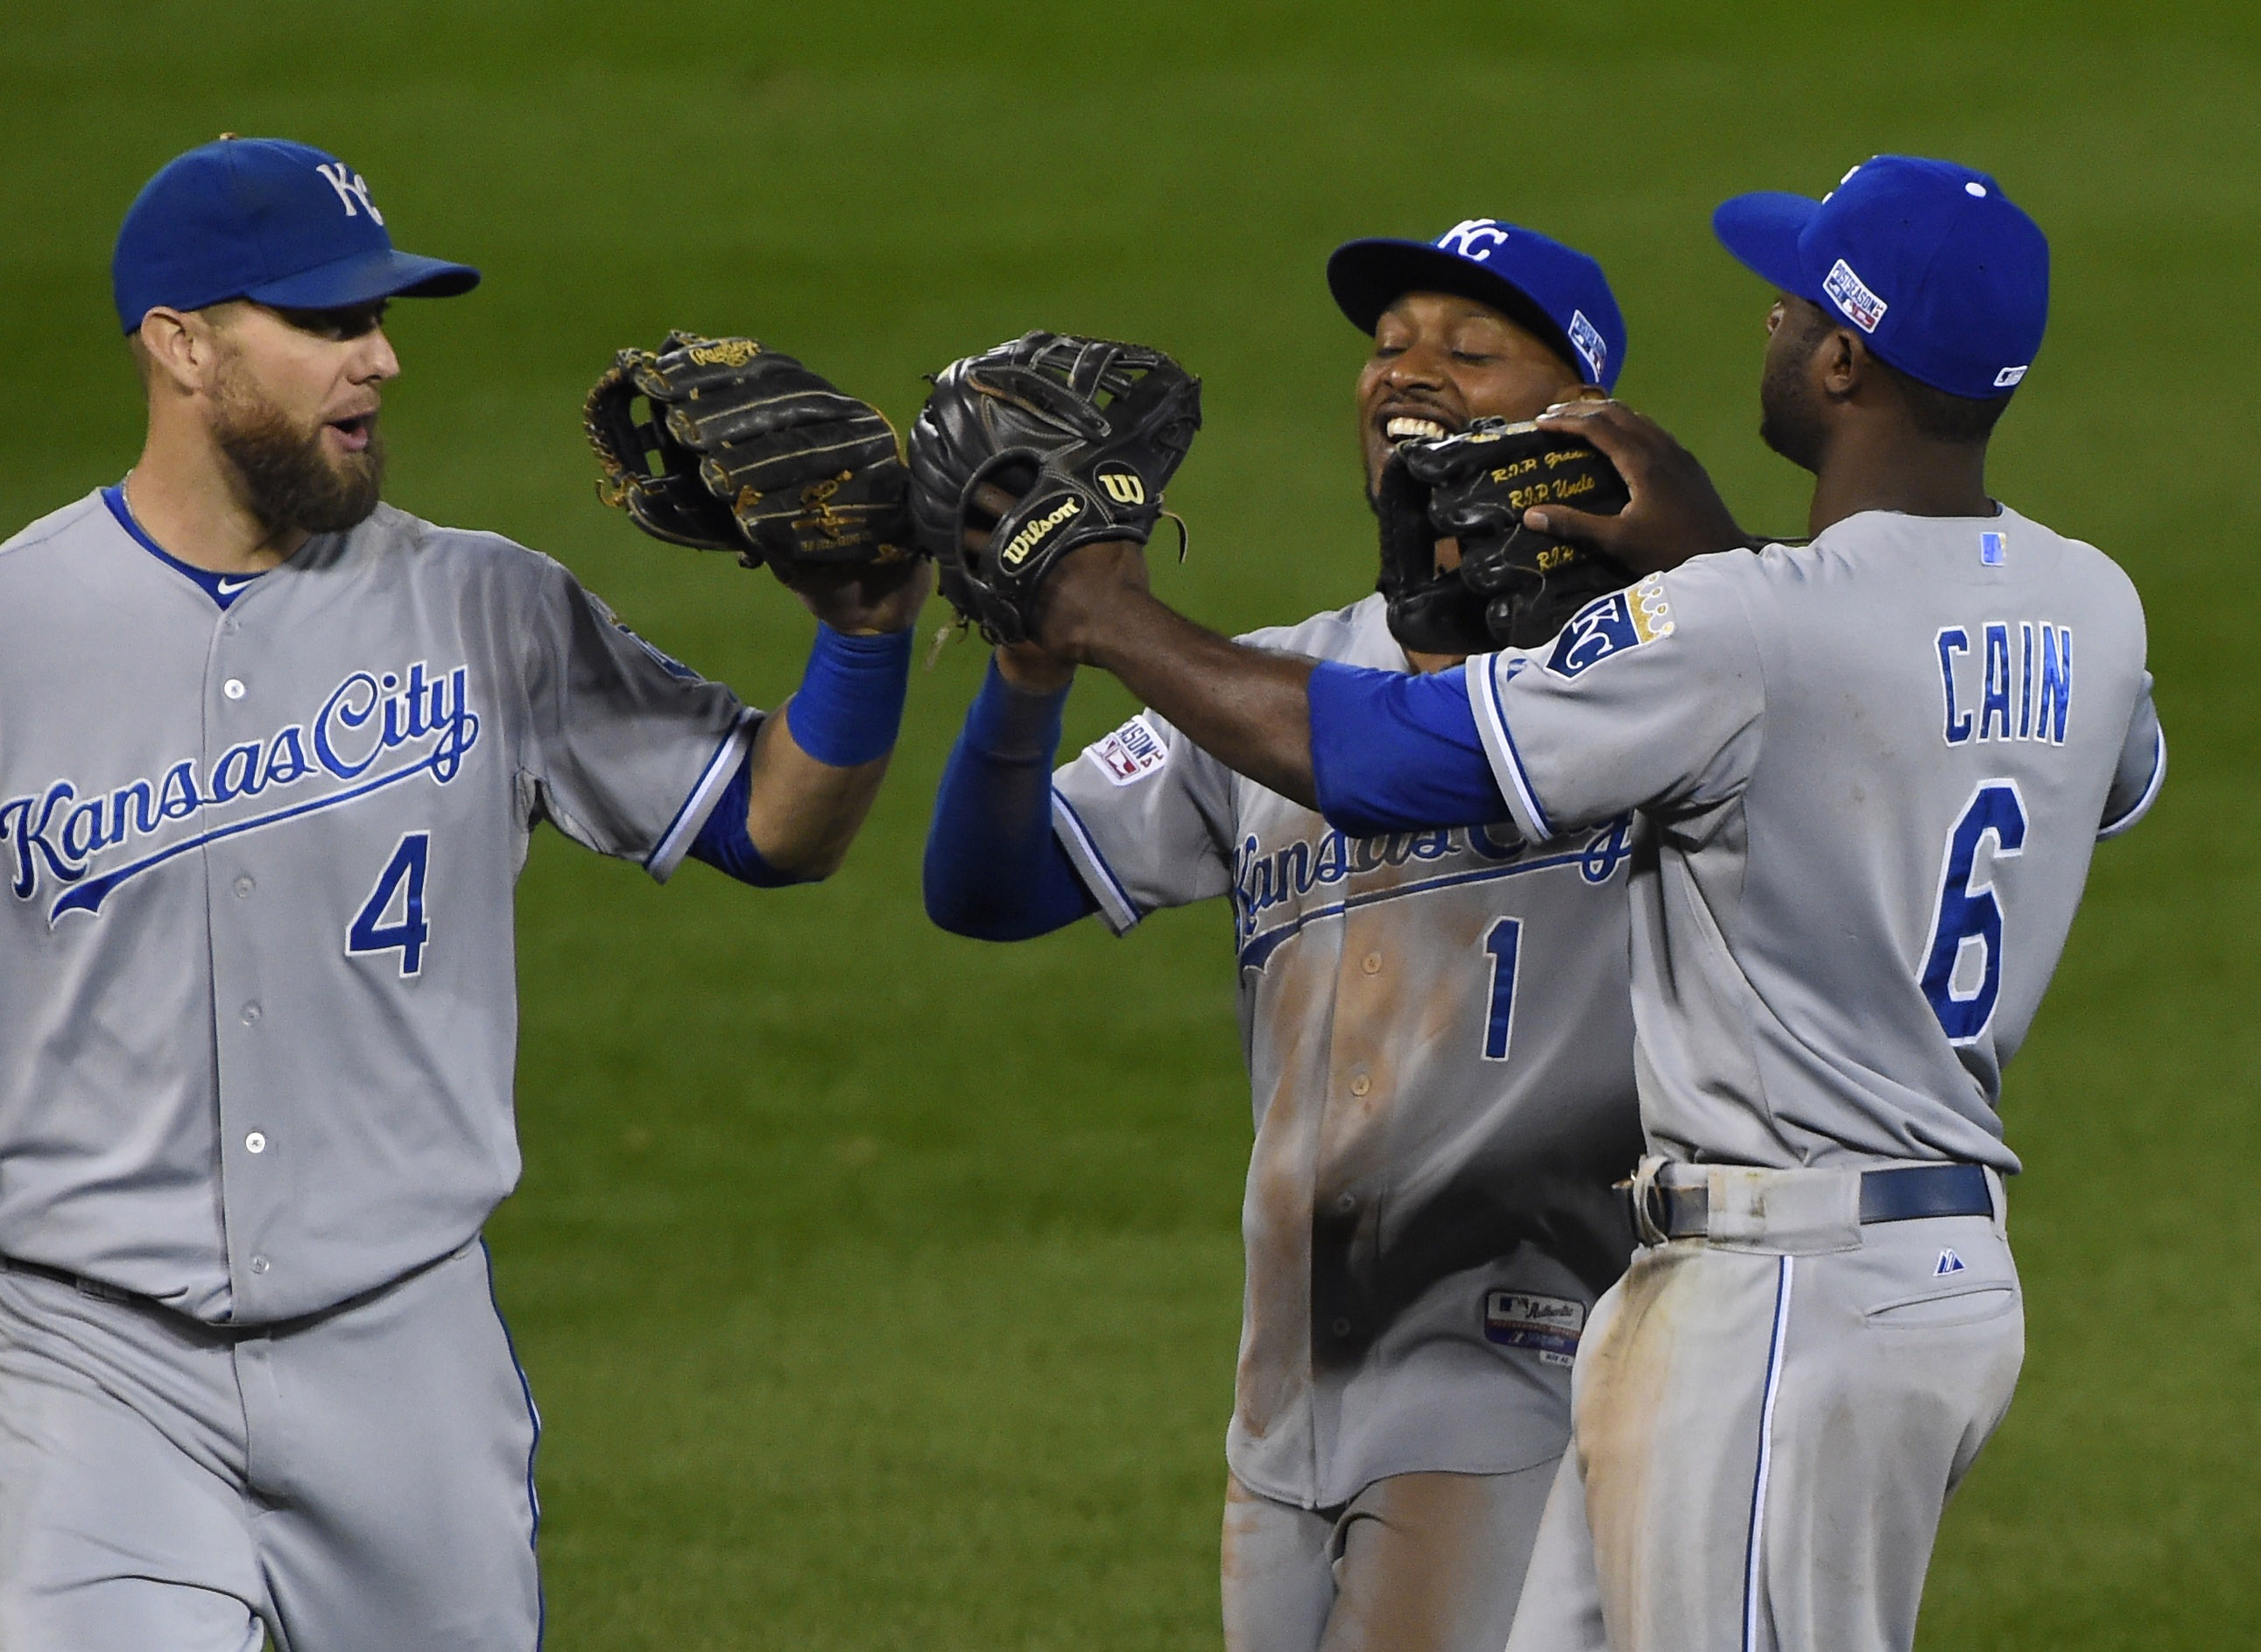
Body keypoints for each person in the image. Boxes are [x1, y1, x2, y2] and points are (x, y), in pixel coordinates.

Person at [980, 156, 2165, 1651]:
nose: (1769, 322)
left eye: (1789, 304)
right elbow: (2030, 738)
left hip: (1786, 1290)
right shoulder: (2087, 604)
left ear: (1843, 359)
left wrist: (1099, 610)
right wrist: (1717, 555)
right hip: (1901, 1272)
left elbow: (1401, 759)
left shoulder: (1745, 627)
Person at [0, 136, 926, 1651]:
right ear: (180, 345)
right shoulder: (18, 632)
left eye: (379, 319)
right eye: (324, 325)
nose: (381, 360)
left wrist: (869, 631)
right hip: (84, 1364)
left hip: (406, 1356)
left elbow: (772, 826)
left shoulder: (485, 603)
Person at [923, 220, 1645, 1652]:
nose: (1407, 373)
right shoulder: (1273, 686)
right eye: (1385, 347)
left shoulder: (1649, 675)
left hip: (1526, 1369)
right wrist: (1024, 672)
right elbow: (990, 887)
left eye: (1469, 348)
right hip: (1288, 1399)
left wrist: (1118, 614)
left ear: (1581, 415)